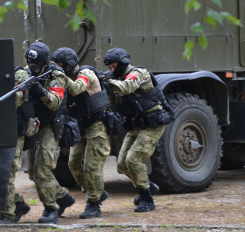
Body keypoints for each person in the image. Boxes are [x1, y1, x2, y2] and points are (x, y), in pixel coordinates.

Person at [103, 48, 174, 212]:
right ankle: (147, 187)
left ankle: (147, 199)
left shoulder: (138, 73)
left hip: (152, 124)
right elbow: (113, 103)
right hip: (136, 125)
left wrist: (109, 82)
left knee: (133, 159)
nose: (112, 71)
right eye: (110, 68)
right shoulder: (117, 79)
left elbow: (127, 88)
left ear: (122, 63)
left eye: (114, 67)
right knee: (122, 163)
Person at [52, 47, 111, 219]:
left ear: (69, 64)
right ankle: (97, 192)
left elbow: (77, 89)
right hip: (80, 126)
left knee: (92, 166)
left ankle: (94, 204)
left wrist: (59, 76)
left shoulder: (85, 73)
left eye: (61, 65)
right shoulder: (66, 76)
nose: (60, 68)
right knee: (74, 164)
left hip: (96, 126)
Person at [25, 42, 76, 224]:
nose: (33, 67)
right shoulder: (27, 72)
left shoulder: (56, 76)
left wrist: (40, 91)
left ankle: (51, 209)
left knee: (42, 169)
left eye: (37, 63)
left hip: (51, 126)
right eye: (30, 63)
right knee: (32, 171)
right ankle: (63, 198)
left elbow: (55, 102)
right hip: (34, 124)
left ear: (45, 62)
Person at [0, 67, 34, 224]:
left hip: (14, 134)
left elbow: (18, 98)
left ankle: (8, 214)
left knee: (6, 173)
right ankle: (17, 203)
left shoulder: (19, 74)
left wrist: (0, 87)